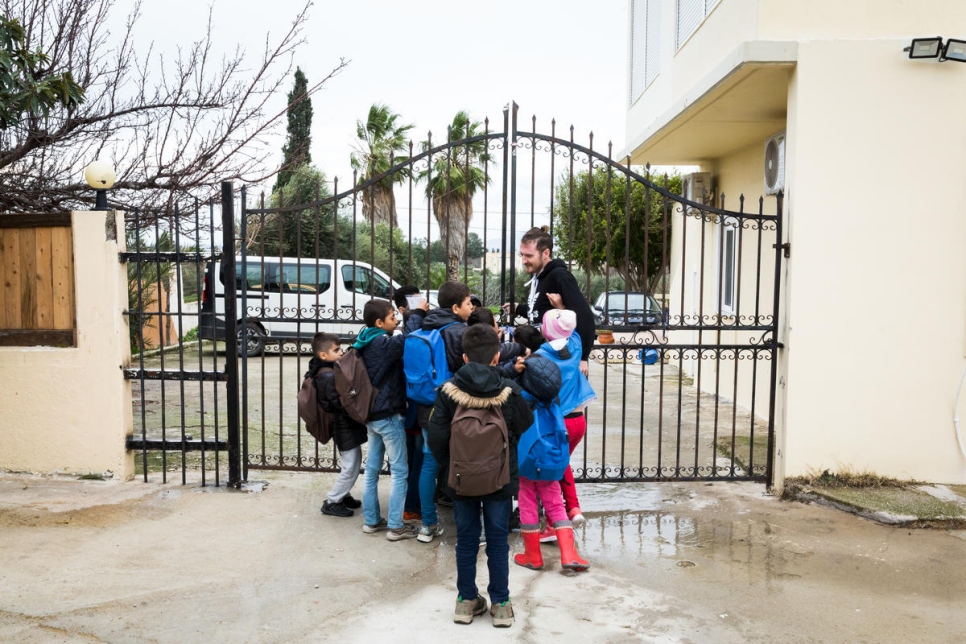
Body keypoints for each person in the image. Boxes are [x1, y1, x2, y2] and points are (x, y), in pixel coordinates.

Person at [426, 324, 534, 627]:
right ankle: (500, 604)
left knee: (467, 539)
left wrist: (453, 466)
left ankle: (466, 601)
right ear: (497, 357)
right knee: (498, 540)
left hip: (460, 479)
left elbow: (435, 436)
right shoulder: (510, 391)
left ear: (463, 356)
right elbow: (524, 427)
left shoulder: (448, 393)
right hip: (499, 479)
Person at [413, 282, 525, 544]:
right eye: (467, 303)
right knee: (474, 453)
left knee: (431, 461)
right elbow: (486, 350)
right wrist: (519, 348)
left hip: (429, 400)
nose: (471, 307)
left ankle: (427, 522)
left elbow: (440, 446)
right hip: (458, 399)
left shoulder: (423, 325)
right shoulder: (456, 331)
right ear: (455, 307)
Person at [510, 337, 590, 572]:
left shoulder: (520, 398)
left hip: (526, 460)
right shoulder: (554, 400)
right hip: (551, 460)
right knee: (555, 504)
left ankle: (533, 555)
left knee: (526, 503)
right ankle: (568, 554)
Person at [355, 298, 426, 541]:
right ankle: (396, 526)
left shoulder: (363, 339)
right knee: (399, 471)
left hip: (372, 415)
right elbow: (410, 336)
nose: (396, 321)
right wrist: (415, 313)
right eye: (392, 317)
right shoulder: (383, 344)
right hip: (389, 415)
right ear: (379, 322)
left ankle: (372, 520)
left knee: (372, 469)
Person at [534, 310, 596, 533]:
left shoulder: (540, 356)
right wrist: (563, 308)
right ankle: (574, 509)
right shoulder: (577, 346)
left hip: (558, 423)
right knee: (562, 465)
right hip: (578, 420)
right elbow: (575, 328)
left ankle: (554, 522)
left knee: (554, 470)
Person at [510, 226, 595, 377]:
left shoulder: (560, 277)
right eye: (521, 255)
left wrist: (583, 357)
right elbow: (540, 310)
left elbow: (585, 316)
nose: (523, 260)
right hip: (545, 361)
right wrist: (519, 308)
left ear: (546, 253)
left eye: (528, 255)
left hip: (561, 363)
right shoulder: (539, 277)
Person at [308, 332, 366, 518]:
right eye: (336, 350)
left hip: (345, 426)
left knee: (352, 462)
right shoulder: (327, 376)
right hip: (343, 426)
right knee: (351, 465)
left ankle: (343, 495)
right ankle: (333, 501)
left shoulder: (326, 370)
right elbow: (339, 403)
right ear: (323, 355)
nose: (341, 353)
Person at [393, 285, 425, 522]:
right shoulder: (402, 337)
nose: (422, 306)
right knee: (415, 458)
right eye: (415, 304)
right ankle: (411, 505)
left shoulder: (418, 327)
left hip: (412, 405)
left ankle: (413, 501)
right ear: (403, 309)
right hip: (412, 407)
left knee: (416, 458)